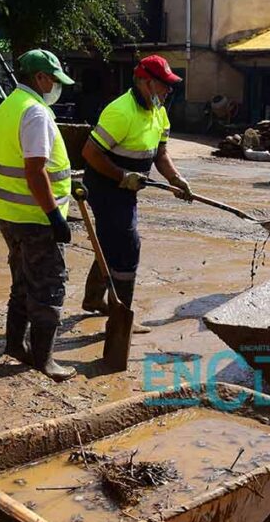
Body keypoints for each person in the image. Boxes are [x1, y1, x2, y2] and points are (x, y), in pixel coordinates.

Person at [80, 55, 193, 334]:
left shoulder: (159, 112)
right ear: (144, 82)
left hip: (129, 186)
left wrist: (176, 179)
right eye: (163, 84)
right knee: (128, 247)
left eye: (169, 85)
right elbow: (90, 153)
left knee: (109, 241)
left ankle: (94, 298)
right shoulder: (121, 111)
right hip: (106, 186)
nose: (168, 90)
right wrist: (122, 177)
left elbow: (161, 154)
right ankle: (121, 317)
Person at [0, 50, 76, 382]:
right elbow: (35, 171)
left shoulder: (5, 109)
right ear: (40, 78)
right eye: (53, 80)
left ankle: (14, 345)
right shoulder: (35, 113)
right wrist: (55, 215)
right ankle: (45, 360)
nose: (56, 87)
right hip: (36, 218)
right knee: (49, 286)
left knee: (22, 281)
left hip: (9, 215)